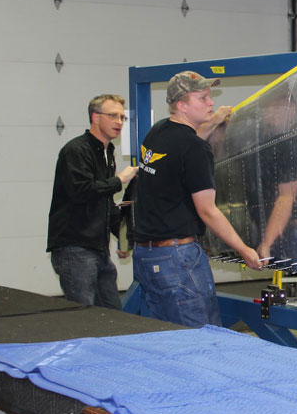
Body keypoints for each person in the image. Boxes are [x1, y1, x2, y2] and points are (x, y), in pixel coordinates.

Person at [132, 71, 262, 327]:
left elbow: (183, 151)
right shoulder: (195, 149)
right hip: (177, 257)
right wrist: (245, 250)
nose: (210, 103)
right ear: (181, 105)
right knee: (201, 336)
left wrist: (214, 121)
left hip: (146, 256)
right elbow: (208, 211)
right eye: (202, 98)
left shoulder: (157, 133)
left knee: (165, 335)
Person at [47, 94, 139, 308]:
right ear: (95, 118)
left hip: (98, 248)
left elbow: (104, 202)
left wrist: (125, 238)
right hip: (74, 248)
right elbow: (81, 191)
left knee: (112, 314)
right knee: (84, 316)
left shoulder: (107, 153)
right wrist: (119, 180)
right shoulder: (76, 150)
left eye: (122, 117)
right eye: (113, 116)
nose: (118, 122)